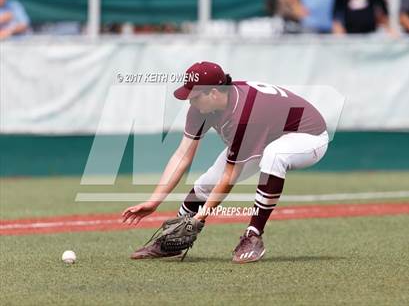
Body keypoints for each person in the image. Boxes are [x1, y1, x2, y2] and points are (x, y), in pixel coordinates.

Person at [122, 61, 329, 263]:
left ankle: (253, 235)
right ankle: (171, 242)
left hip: (309, 136)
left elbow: (230, 176)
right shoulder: (200, 109)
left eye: (194, 96)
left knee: (274, 156)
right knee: (206, 183)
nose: (190, 101)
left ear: (213, 92)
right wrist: (154, 200)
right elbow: (182, 155)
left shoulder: (244, 114)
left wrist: (200, 218)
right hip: (268, 133)